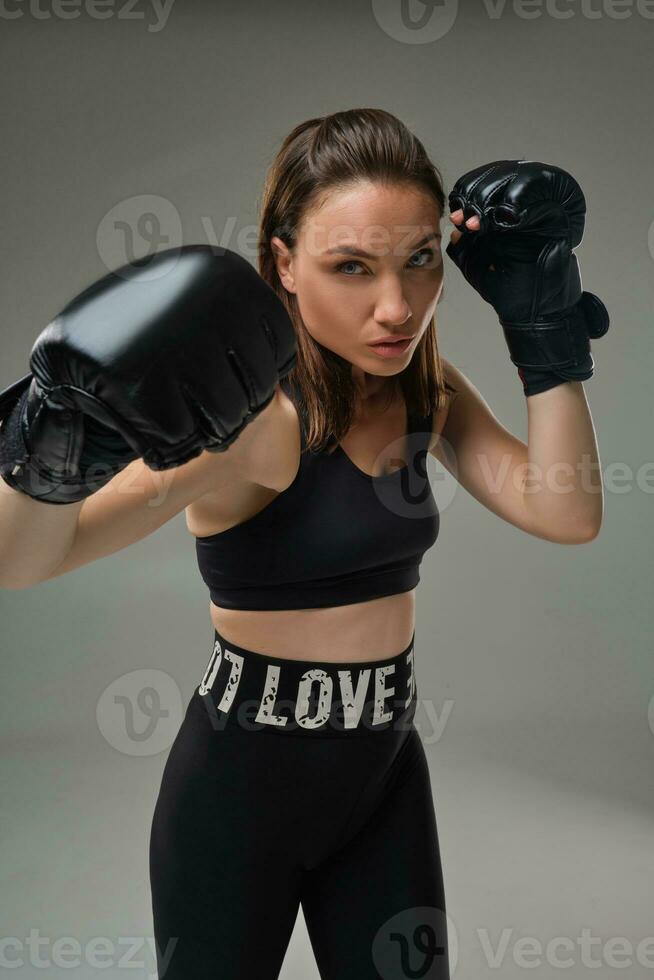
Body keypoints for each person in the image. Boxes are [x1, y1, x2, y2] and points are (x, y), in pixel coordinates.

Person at [0, 108, 608, 980]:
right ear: (283, 264)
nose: (396, 307)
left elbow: (567, 513)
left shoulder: (424, 389)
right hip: (236, 794)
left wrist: (546, 341)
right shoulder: (259, 425)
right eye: (351, 267)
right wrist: (48, 442)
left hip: (386, 778)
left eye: (420, 259)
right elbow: (26, 560)